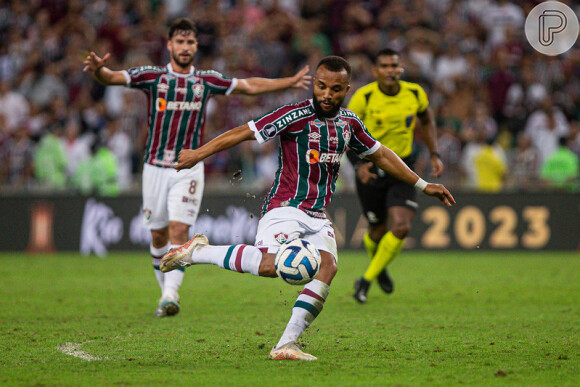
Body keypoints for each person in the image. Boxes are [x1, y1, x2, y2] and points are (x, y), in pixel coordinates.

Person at [159, 56, 455, 361]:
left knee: (328, 268)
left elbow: (382, 154)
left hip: (317, 214)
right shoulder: (294, 115)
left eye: (336, 89)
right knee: (269, 267)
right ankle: (196, 253)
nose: (327, 94)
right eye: (322, 86)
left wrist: (423, 185)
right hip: (285, 206)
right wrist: (199, 153)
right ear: (314, 83)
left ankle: (287, 344)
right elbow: (244, 131)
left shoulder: (349, 122)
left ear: (346, 90)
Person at [82, 18, 312, 318]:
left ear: (196, 46)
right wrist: (99, 70)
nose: (186, 47)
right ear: (169, 45)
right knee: (158, 236)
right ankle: (165, 291)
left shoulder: (206, 80)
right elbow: (111, 78)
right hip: (154, 167)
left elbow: (248, 85)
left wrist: (288, 82)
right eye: (180, 41)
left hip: (188, 166)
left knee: (180, 228)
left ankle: (170, 294)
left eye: (190, 42)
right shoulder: (152, 77)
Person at [346, 48, 443, 303]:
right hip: (370, 169)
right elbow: (344, 133)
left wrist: (435, 153)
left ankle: (364, 281)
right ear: (376, 71)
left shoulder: (414, 93)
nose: (390, 70)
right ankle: (379, 268)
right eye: (385, 66)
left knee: (401, 226)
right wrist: (358, 165)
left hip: (402, 167)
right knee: (377, 232)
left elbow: (427, 120)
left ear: (400, 69)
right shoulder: (363, 97)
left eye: (394, 66)